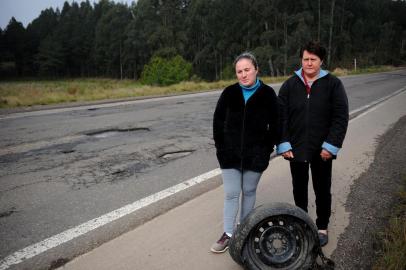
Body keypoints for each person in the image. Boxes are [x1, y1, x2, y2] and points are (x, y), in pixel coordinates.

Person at [277, 41, 349, 247]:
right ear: (301, 60)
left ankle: (322, 226)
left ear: (321, 61)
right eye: (305, 59)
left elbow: (340, 117)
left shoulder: (333, 84)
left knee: (322, 189)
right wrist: (283, 143)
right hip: (296, 149)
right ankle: (302, 224)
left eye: (313, 59)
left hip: (322, 149)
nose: (308, 63)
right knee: (299, 189)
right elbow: (280, 117)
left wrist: (331, 146)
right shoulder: (290, 85)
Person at [210, 52, 279, 253]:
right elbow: (218, 122)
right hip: (229, 155)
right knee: (231, 194)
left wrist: (266, 149)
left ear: (256, 69)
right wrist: (221, 149)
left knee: (248, 192)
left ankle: (245, 231)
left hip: (255, 156)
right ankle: (228, 234)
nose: (243, 74)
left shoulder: (267, 94)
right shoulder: (229, 93)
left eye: (247, 70)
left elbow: (275, 125)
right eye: (239, 71)